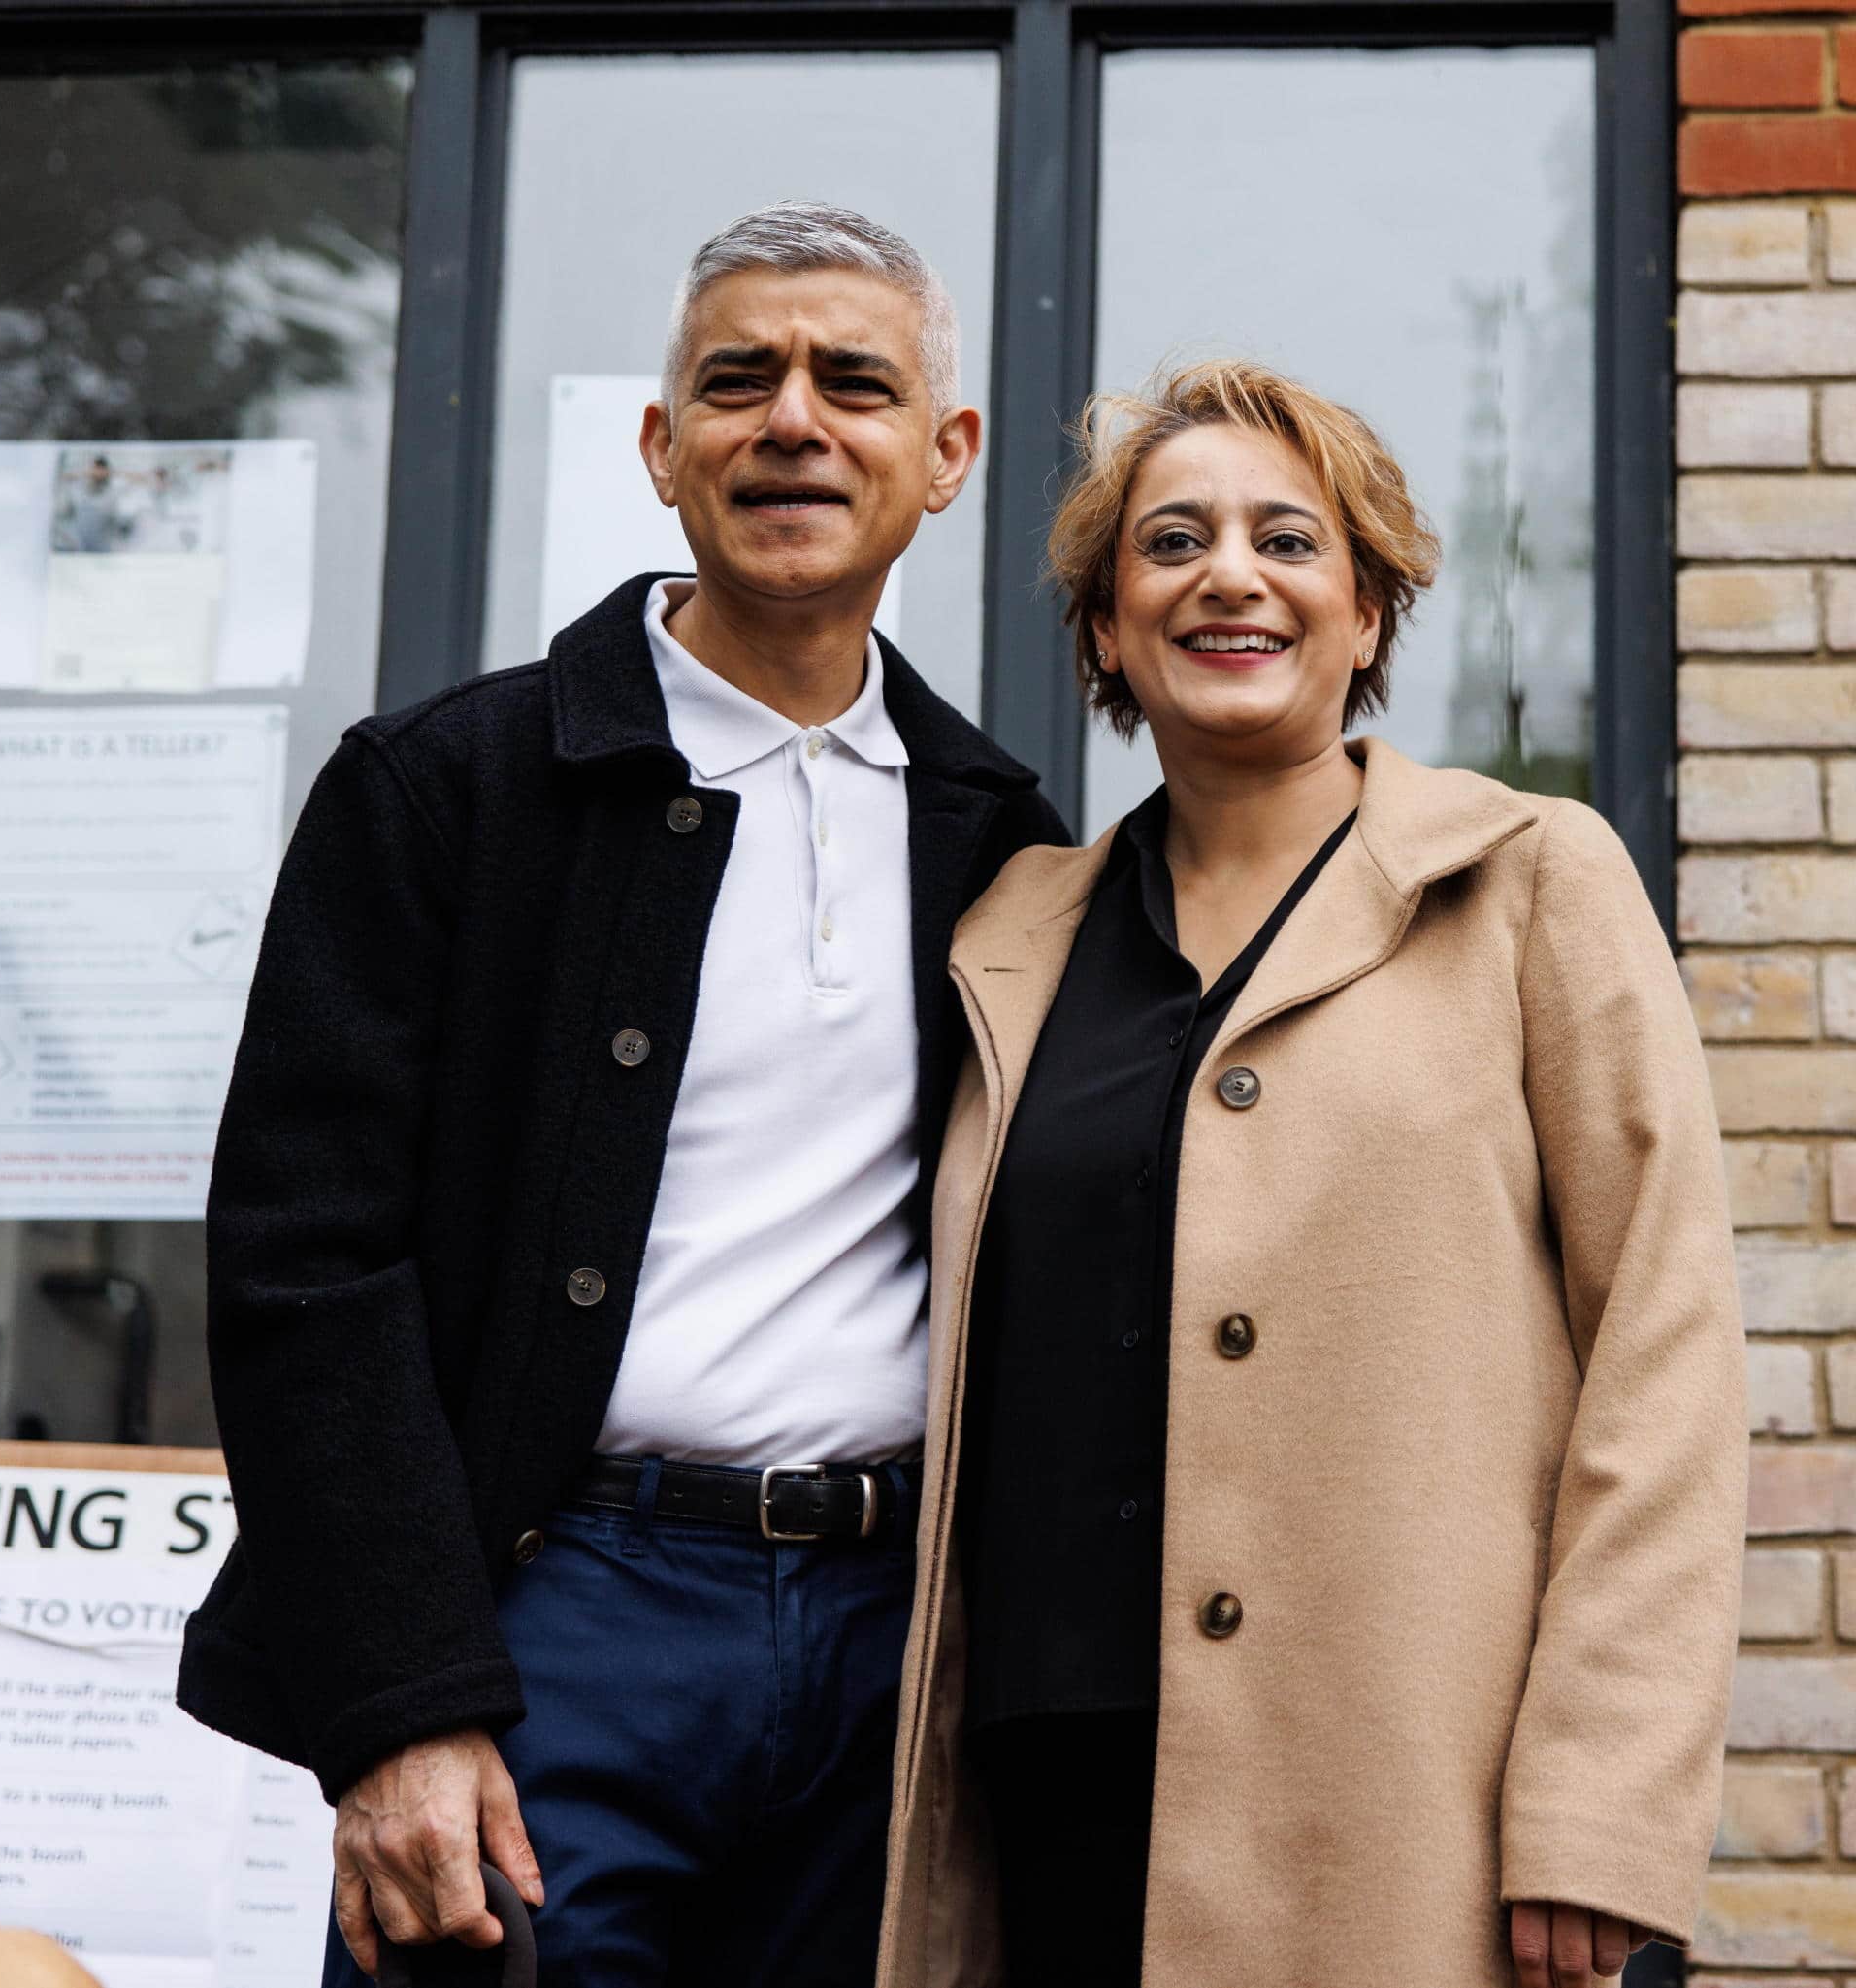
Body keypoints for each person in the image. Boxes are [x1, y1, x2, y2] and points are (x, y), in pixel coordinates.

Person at [175, 202, 1068, 1985]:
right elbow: (302, 1267)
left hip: (891, 1649)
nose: (794, 420)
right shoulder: (448, 788)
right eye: (739, 381)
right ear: (665, 450)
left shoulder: (1000, 834)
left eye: (854, 383)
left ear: (945, 455)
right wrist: (402, 1703)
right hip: (553, 1621)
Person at [877, 360, 1745, 1987]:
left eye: (1290, 539)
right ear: (1105, 631)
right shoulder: (1011, 937)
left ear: (1366, 615)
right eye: (1173, 543)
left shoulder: (1527, 884)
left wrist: (1601, 1805)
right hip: (1049, 1785)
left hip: (1402, 1789)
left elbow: (1668, 1353)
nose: (1230, 574)